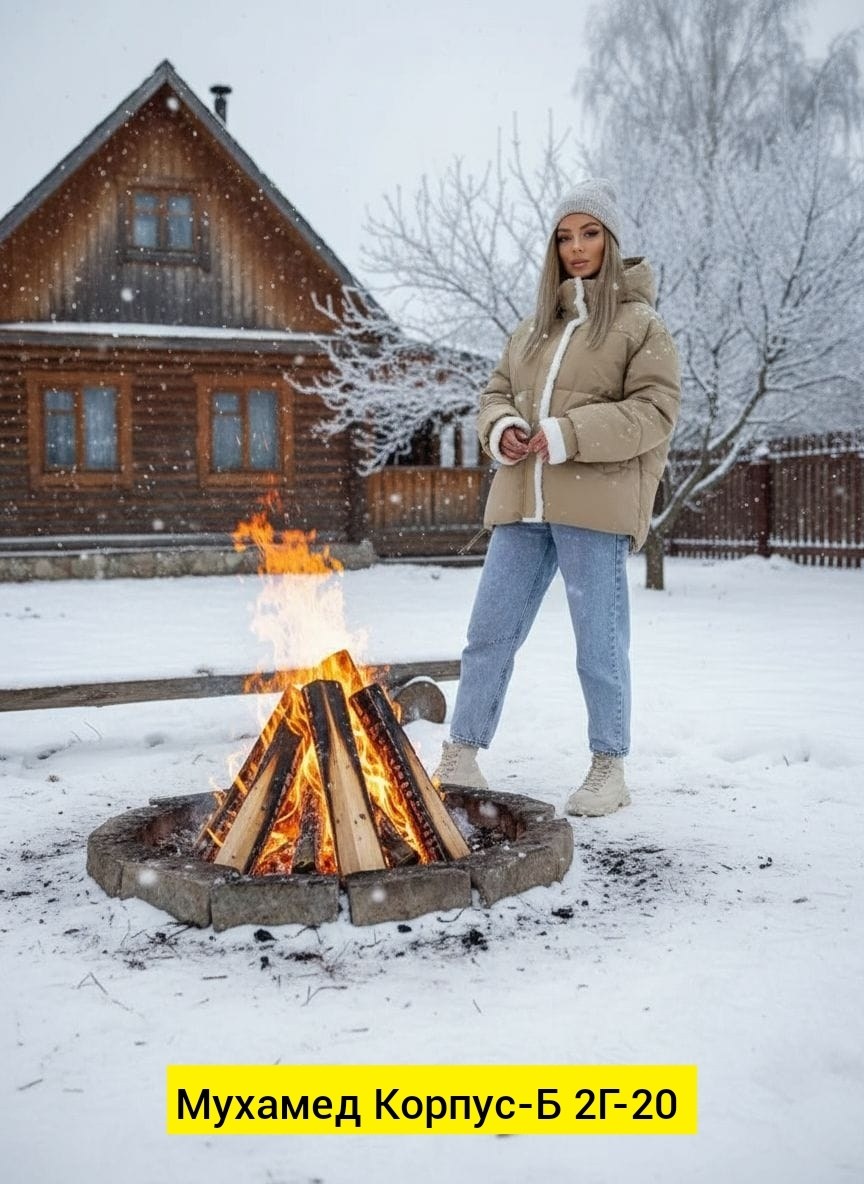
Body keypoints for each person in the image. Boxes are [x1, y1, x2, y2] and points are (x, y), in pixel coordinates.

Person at [433, 178, 680, 816]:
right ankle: (462, 753)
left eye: (590, 233)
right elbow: (493, 393)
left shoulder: (640, 325)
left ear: (612, 238)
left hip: (592, 511)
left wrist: (568, 434)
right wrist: (501, 429)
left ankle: (608, 766)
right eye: (565, 236)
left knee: (598, 642)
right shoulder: (533, 329)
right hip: (522, 506)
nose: (576, 247)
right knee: (488, 634)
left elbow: (655, 412)